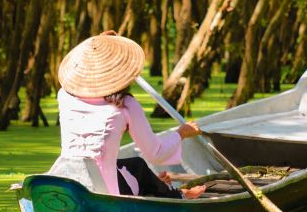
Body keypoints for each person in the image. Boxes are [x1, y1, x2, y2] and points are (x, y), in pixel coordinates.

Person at [53, 31, 206, 199]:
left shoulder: (64, 96)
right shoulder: (126, 105)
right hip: (103, 191)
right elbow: (156, 153)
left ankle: (157, 185)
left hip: (66, 178)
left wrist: (98, 43)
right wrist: (182, 133)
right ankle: (178, 195)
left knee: (135, 166)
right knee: (138, 165)